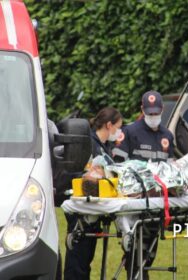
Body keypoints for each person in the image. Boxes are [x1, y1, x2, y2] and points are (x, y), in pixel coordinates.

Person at [113, 90, 174, 280]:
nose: (153, 117)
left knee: (150, 250)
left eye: (156, 113)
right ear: (142, 110)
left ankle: (141, 273)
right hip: (135, 202)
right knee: (136, 250)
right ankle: (136, 274)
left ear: (162, 110)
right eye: (150, 114)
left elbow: (169, 168)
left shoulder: (167, 135)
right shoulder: (129, 132)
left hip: (156, 202)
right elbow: (117, 165)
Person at [64, 107, 122, 280]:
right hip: (82, 207)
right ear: (109, 125)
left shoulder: (105, 146)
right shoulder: (89, 143)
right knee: (78, 259)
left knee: (86, 258)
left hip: (94, 207)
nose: (119, 131)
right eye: (118, 127)